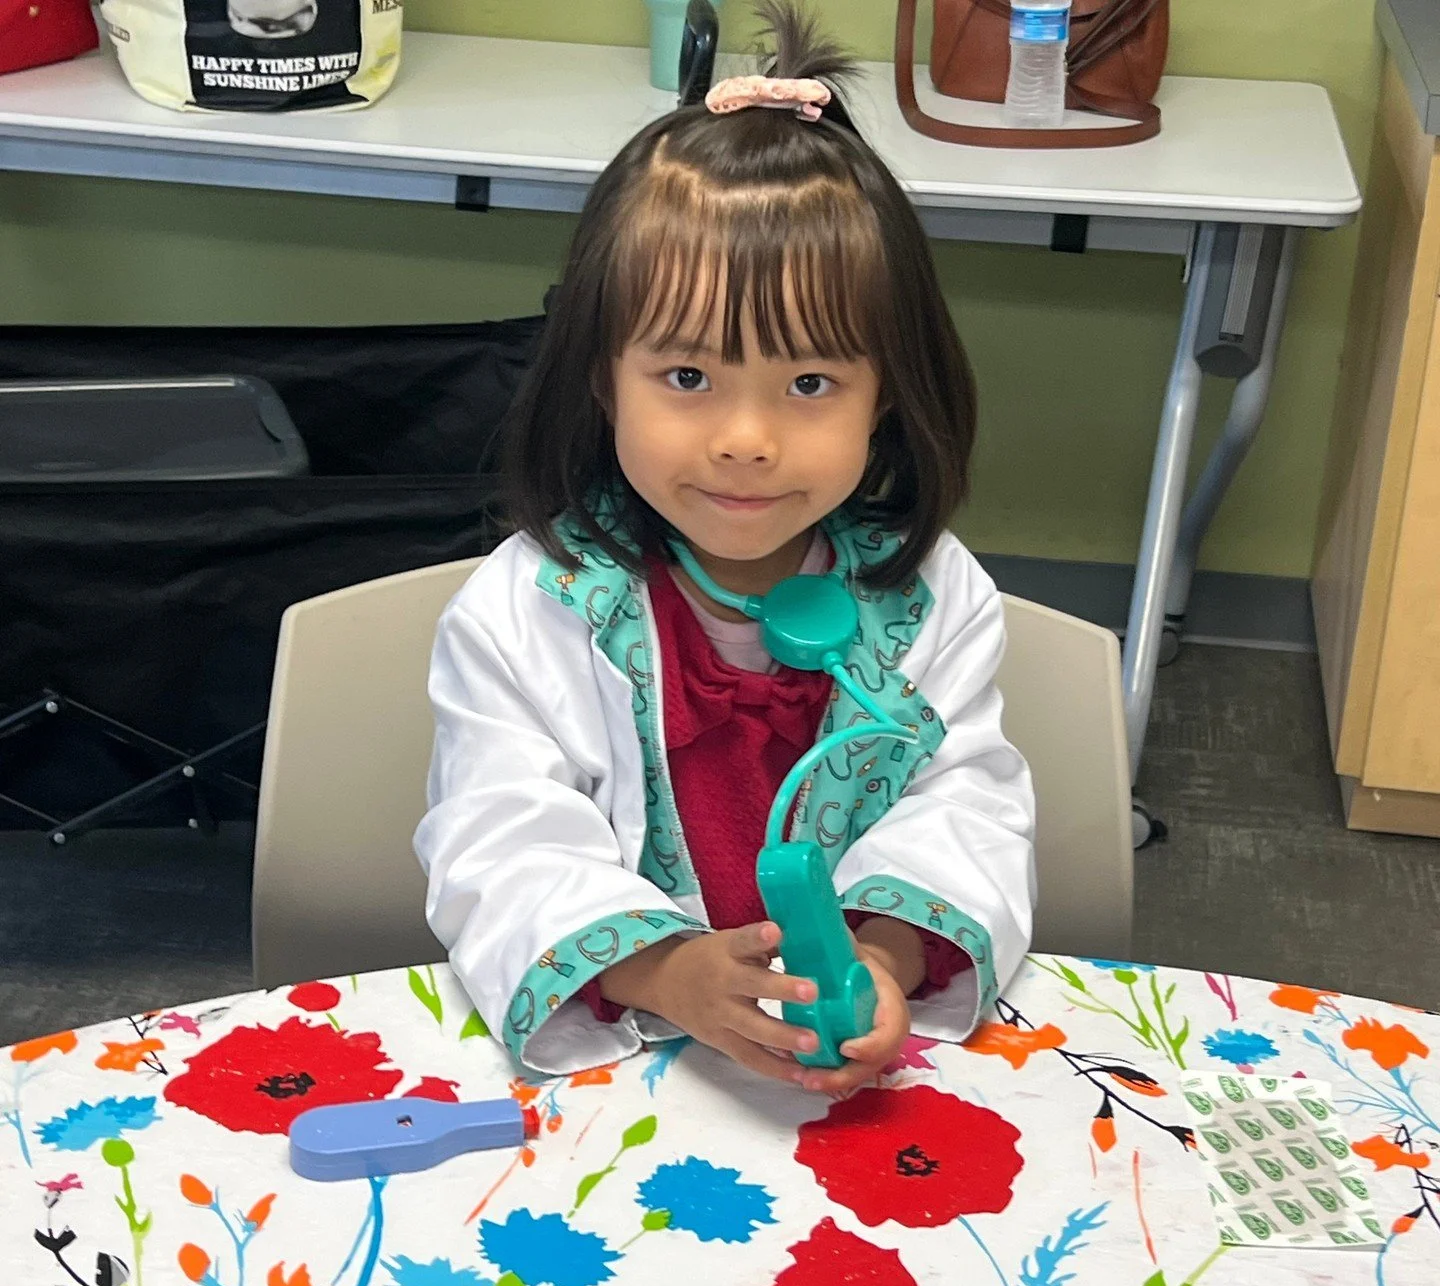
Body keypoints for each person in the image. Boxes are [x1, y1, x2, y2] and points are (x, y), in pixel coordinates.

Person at [415, 0, 1035, 1094]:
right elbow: (498, 842)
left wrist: (884, 957)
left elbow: (966, 806)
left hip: (863, 1071)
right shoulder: (534, 606)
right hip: (627, 1060)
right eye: (688, 378)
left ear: (885, 396)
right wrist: (667, 972)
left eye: (810, 384)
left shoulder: (932, 596)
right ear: (605, 374)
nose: (747, 441)